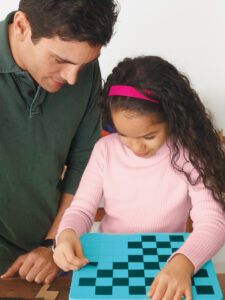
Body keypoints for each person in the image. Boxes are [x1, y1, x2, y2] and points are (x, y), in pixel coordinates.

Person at [53, 56, 225, 299]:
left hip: (170, 259)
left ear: (171, 118)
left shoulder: (189, 154)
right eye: (123, 134)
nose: (136, 147)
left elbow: (213, 222)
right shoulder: (105, 150)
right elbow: (81, 210)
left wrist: (183, 263)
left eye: (149, 136)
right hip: (108, 257)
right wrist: (67, 233)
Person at [0, 0, 118, 284]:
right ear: (21, 27)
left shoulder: (84, 70)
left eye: (85, 63)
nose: (73, 78)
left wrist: (51, 245)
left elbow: (82, 165)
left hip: (48, 258)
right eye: (61, 60)